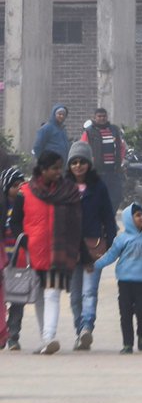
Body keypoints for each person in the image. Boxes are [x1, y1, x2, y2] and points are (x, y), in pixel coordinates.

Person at [9, 151, 82, 353]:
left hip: (58, 253)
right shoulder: (25, 192)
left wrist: (76, 248)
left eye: (60, 168)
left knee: (52, 295)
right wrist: (24, 240)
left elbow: (77, 223)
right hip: (32, 253)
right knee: (39, 297)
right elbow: (15, 222)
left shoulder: (69, 191)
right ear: (43, 170)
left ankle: (49, 337)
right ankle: (45, 339)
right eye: (54, 168)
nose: (59, 172)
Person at [92, 204, 142, 353]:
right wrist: (96, 265)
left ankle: (141, 334)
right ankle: (128, 344)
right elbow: (111, 256)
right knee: (125, 314)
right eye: (137, 215)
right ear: (129, 219)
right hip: (125, 283)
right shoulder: (122, 239)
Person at [66, 141, 117, 350]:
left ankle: (87, 327)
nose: (78, 166)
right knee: (75, 296)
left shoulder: (98, 187)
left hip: (93, 248)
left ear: (89, 164)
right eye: (74, 162)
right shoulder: (62, 187)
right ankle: (79, 331)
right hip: (69, 249)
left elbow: (108, 217)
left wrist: (111, 243)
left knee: (89, 292)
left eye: (82, 162)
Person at [81, 107, 127, 212]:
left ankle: (110, 215)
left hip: (113, 171)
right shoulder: (89, 132)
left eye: (104, 116)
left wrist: (120, 161)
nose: (102, 118)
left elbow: (121, 147)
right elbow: (83, 149)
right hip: (97, 172)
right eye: (99, 116)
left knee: (116, 197)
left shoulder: (114, 130)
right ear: (94, 117)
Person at [3, 166, 27, 349]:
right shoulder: (2, 208)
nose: (18, 188)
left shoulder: (25, 206)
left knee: (18, 299)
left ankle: (13, 336)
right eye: (14, 185)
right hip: (3, 260)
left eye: (21, 185)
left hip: (19, 261)